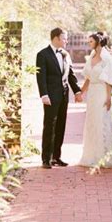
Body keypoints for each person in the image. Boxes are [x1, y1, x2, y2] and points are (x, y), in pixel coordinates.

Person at [78, 31, 112, 169]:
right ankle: (91, 155)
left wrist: (109, 97)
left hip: (102, 92)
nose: (89, 44)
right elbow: (88, 78)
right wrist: (80, 92)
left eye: (91, 41)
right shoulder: (92, 56)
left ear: (98, 42)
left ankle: (104, 156)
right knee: (92, 122)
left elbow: (110, 80)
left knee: (102, 122)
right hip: (92, 94)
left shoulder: (107, 59)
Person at [36, 28, 82, 169]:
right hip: (50, 96)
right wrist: (44, 95)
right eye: (64, 38)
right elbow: (40, 77)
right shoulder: (42, 55)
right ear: (56, 38)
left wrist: (77, 91)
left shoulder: (65, 55)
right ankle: (46, 159)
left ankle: (56, 157)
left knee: (61, 126)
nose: (66, 41)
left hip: (64, 96)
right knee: (49, 126)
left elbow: (70, 75)